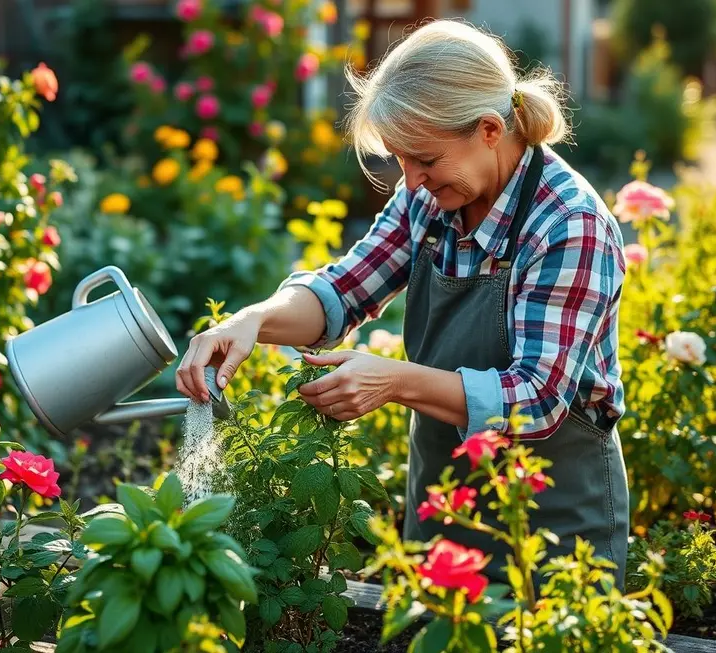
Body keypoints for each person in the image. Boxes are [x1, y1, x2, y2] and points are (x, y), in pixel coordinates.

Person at [176, 19, 631, 590]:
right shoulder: (431, 199)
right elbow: (345, 289)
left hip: (552, 517)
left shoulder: (569, 225)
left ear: (489, 129)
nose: (411, 182)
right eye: (400, 161)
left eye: (425, 160)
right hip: (443, 502)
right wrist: (252, 321)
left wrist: (392, 381)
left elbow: (537, 400)